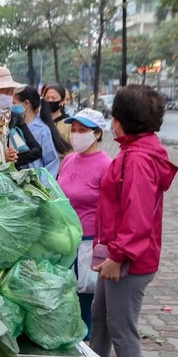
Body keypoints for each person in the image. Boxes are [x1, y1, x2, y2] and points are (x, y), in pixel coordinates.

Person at [57, 85, 178, 357]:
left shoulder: (137, 160)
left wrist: (118, 257)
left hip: (129, 260)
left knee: (122, 326)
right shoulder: (135, 152)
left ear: (120, 122)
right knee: (99, 315)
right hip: (116, 253)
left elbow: (138, 219)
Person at [55, 108, 112, 341]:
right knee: (65, 293)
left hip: (89, 241)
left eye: (83, 130)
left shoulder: (106, 164)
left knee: (86, 295)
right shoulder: (68, 160)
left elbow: (111, 207)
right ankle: (68, 340)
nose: (76, 134)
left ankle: (86, 352)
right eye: (74, 130)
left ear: (97, 133)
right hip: (65, 238)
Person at [0, 67, 42, 168]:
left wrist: (13, 158)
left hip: (9, 178)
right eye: (6, 92)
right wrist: (0, 157)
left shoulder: (14, 118)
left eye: (12, 92)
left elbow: (37, 150)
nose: (10, 96)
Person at [14, 86, 72, 179]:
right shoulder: (13, 124)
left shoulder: (42, 130)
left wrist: (42, 186)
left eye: (14, 103)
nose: (11, 106)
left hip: (35, 183)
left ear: (26, 104)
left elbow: (51, 162)